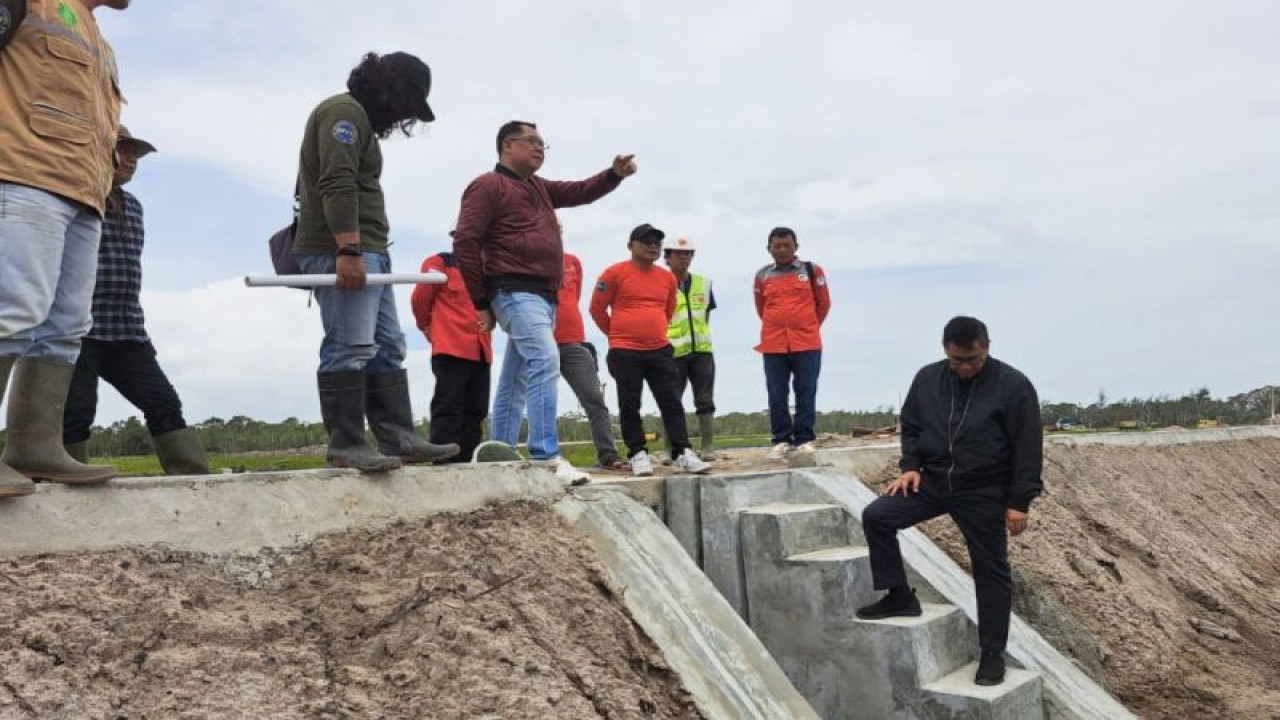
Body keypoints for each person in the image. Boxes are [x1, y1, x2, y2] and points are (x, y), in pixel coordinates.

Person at [291, 51, 458, 472]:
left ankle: (398, 437)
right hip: (343, 248)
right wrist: (348, 249)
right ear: (391, 89)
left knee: (387, 346)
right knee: (351, 345)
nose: (404, 116)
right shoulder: (343, 113)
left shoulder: (359, 119)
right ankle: (346, 444)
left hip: (371, 249)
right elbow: (337, 181)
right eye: (406, 103)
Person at [856, 316, 1043, 687]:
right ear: (946, 351)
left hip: (984, 490)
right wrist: (911, 466)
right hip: (935, 481)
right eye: (957, 360)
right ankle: (899, 596)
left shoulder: (1013, 385)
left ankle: (992, 653)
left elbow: (1028, 447)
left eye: (973, 359)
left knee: (991, 570)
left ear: (986, 347)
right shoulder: (928, 379)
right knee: (877, 515)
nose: (965, 367)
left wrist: (1019, 501)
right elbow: (912, 426)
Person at [451, 120, 636, 484]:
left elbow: (580, 191)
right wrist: (480, 300)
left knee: (516, 376)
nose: (540, 148)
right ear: (508, 145)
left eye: (543, 144)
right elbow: (465, 241)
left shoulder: (538, 187)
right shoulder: (488, 185)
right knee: (545, 359)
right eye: (532, 141)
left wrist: (613, 174)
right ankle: (545, 457)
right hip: (513, 290)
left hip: (543, 297)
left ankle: (500, 452)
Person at [0, 0, 133, 498]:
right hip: (21, 175)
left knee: (66, 327)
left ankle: (35, 446)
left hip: (85, 194)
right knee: (13, 310)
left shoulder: (100, 41)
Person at [61, 127, 210, 475]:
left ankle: (194, 482)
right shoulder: (73, 198)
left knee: (163, 403)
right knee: (75, 411)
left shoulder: (133, 207)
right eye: (122, 151)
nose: (131, 160)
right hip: (77, 327)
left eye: (135, 154)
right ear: (98, 151)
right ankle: (63, 485)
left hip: (126, 329)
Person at [590, 223, 710, 478]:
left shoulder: (667, 278)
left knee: (672, 402)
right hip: (625, 350)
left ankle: (682, 452)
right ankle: (637, 453)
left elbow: (668, 309)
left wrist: (654, 331)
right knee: (630, 403)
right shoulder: (614, 273)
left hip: (659, 349)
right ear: (630, 245)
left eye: (656, 243)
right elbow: (596, 309)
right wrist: (616, 334)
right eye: (646, 242)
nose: (652, 246)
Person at [490, 250, 624, 470]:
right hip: (531, 338)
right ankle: (504, 451)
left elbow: (572, 298)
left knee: (594, 398)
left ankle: (608, 455)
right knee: (514, 392)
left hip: (571, 340)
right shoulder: (522, 257)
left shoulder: (572, 262)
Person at [753, 226, 831, 460]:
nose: (782, 250)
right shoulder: (762, 275)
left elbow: (823, 303)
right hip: (773, 343)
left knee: (806, 389)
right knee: (777, 393)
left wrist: (808, 326)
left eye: (787, 245)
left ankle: (805, 438)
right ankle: (781, 439)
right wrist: (778, 326)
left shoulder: (812, 270)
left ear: (796, 247)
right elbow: (761, 307)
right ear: (769, 248)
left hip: (807, 342)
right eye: (777, 246)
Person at [410, 246, 491, 463]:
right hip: (451, 346)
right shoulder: (440, 263)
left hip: (482, 350)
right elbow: (420, 299)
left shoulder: (485, 269)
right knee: (448, 406)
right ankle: (444, 461)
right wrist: (427, 327)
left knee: (476, 410)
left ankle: (467, 460)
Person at [663, 236, 719, 461]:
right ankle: (670, 449)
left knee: (705, 400)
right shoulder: (660, 284)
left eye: (688, 253)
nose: (684, 257)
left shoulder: (704, 284)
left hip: (702, 351)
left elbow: (705, 315)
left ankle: (708, 446)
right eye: (678, 254)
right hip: (672, 351)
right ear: (667, 257)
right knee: (671, 400)